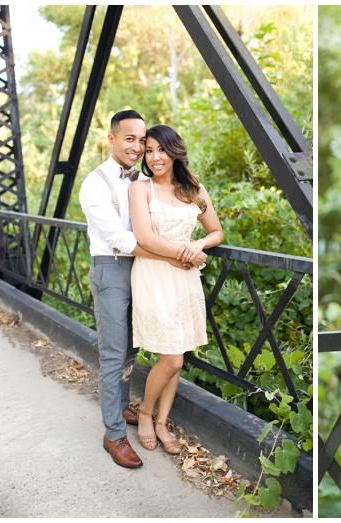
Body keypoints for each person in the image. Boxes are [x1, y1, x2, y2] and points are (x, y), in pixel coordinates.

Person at [80, 110, 202, 468]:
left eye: (141, 140)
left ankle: (121, 408)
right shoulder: (95, 183)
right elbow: (119, 239)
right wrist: (174, 256)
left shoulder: (141, 181)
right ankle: (114, 434)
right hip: (113, 269)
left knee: (131, 351)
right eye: (129, 139)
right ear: (112, 139)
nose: (137, 147)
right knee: (114, 353)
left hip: (144, 270)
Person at [129, 124, 223, 454]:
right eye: (149, 150)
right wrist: (182, 254)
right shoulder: (140, 189)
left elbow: (216, 233)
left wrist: (197, 244)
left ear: (175, 151)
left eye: (161, 150)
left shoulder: (193, 187)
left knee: (178, 358)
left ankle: (160, 422)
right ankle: (143, 414)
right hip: (156, 274)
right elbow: (144, 237)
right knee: (169, 359)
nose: (155, 157)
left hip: (185, 278)